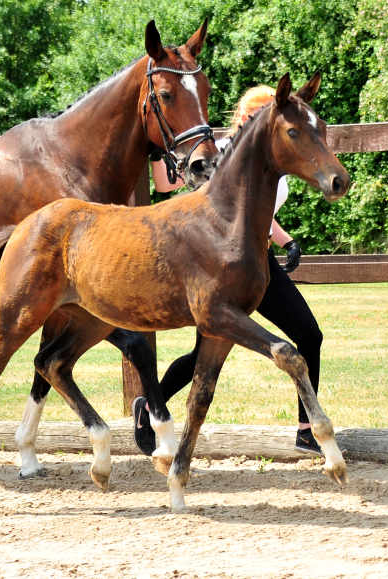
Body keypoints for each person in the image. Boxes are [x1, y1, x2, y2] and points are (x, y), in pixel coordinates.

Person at [136, 85, 324, 456]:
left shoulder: (275, 157)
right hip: (218, 267)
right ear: (246, 119)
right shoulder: (219, 153)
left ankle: (306, 429)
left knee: (309, 335)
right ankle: (148, 405)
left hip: (259, 263)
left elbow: (259, 213)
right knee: (201, 357)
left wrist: (286, 241)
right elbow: (164, 185)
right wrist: (157, 152)